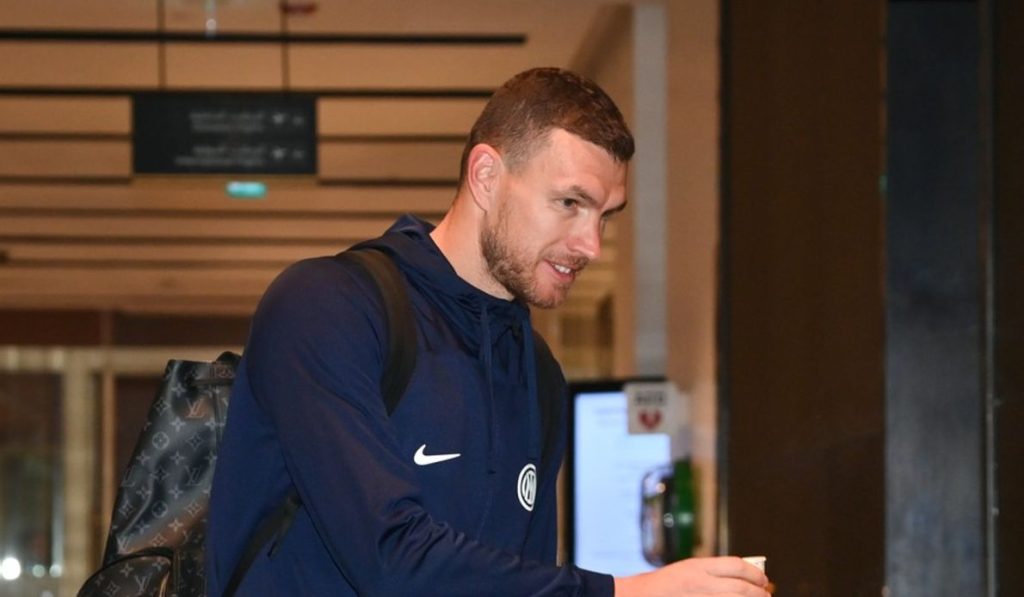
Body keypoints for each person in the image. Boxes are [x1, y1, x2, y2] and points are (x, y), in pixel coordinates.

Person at [206, 67, 771, 596]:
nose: (591, 245)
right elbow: (387, 557)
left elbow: (520, 578)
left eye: (604, 216)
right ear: (485, 176)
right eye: (569, 203)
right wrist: (626, 591)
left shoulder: (537, 373)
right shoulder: (329, 305)